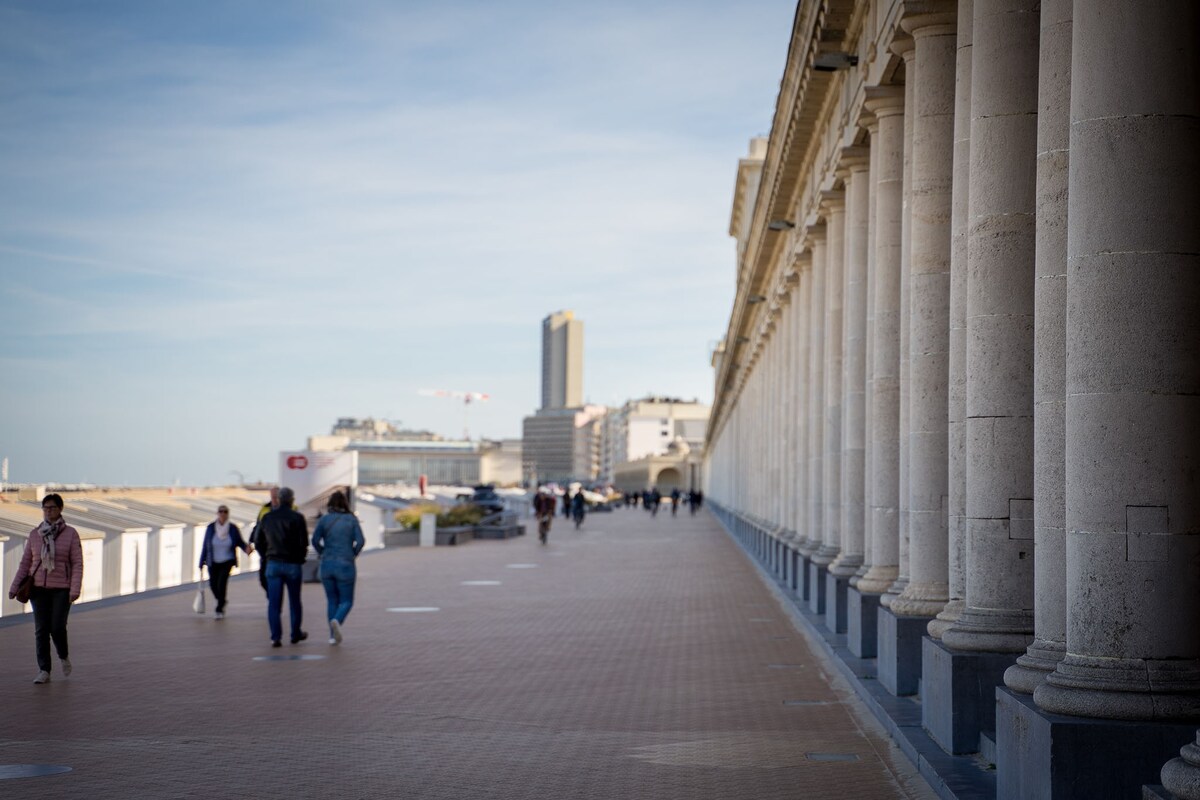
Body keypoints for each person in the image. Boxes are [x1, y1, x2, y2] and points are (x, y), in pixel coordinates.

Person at [7, 494, 83, 684]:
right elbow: (25, 564)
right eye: (45, 508)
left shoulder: (71, 534)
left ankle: (63, 656)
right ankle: (44, 670)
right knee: (41, 629)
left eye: (52, 508)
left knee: (57, 627)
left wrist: (74, 589)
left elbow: (77, 564)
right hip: (38, 589)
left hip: (62, 589)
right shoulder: (35, 534)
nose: (48, 511)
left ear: (60, 509)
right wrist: (15, 586)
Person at [257, 487, 309, 647]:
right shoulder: (298, 518)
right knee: (294, 601)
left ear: (278, 499)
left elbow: (258, 541)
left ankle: (275, 637)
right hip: (293, 564)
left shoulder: (267, 518)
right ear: (292, 500)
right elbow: (304, 543)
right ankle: (295, 633)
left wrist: (267, 556)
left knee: (274, 603)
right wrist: (300, 558)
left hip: (273, 563)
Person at [311, 491, 364, 645]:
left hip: (327, 564)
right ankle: (337, 620)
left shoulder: (324, 520)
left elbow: (315, 540)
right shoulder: (351, 519)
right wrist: (352, 554)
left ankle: (332, 636)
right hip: (345, 564)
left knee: (332, 600)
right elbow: (360, 541)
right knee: (347, 601)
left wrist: (323, 553)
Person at [198, 505, 252, 620]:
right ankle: (222, 601)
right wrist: (201, 562)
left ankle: (219, 609)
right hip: (212, 561)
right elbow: (205, 545)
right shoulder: (211, 528)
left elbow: (239, 542)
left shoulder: (232, 528)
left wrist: (247, 549)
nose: (222, 514)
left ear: (228, 514)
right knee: (213, 585)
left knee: (222, 583)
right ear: (217, 513)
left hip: (227, 561)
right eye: (220, 511)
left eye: (225, 512)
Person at [249, 487, 281, 596]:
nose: (274, 499)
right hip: (265, 550)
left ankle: (274, 600)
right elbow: (257, 527)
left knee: (277, 580)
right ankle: (271, 596)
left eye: (276, 497)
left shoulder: (287, 509)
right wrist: (251, 542)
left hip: (280, 552)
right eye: (273, 497)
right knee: (263, 580)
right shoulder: (264, 509)